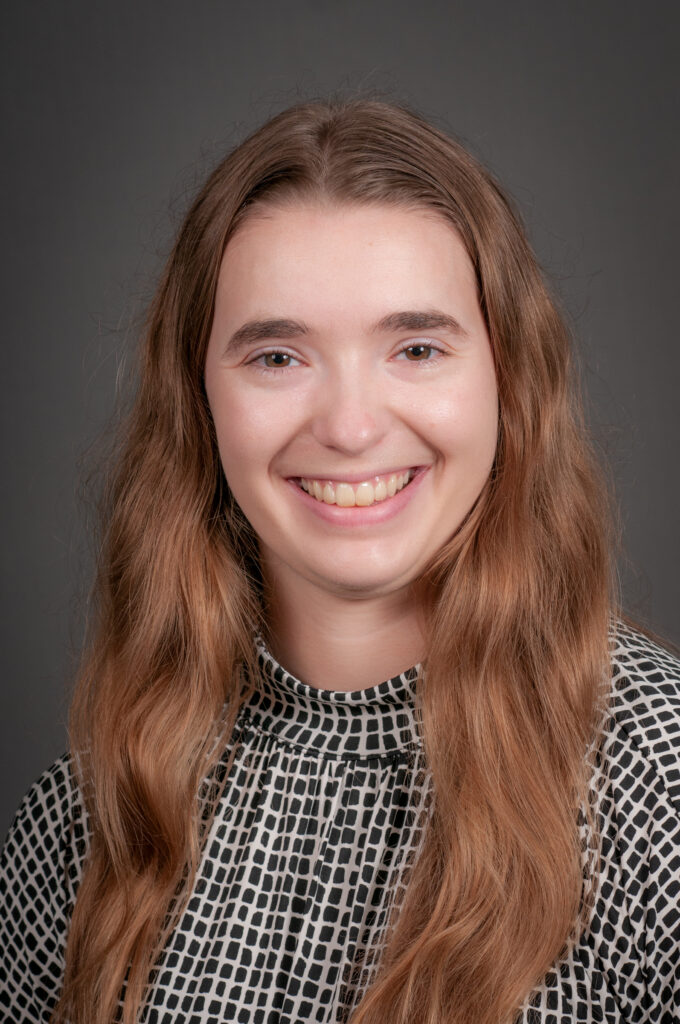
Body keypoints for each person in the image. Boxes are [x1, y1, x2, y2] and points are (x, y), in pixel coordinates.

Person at [1, 98, 678, 1024]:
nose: (352, 427)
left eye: (416, 347)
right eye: (278, 356)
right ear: (199, 403)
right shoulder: (87, 818)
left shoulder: (658, 785)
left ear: (508, 379)